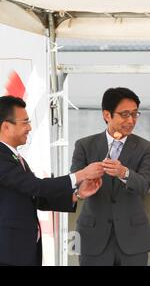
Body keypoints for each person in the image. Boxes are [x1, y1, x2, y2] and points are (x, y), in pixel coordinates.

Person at [0, 95, 103, 266]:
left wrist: (77, 194)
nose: (30, 128)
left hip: (20, 250)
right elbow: (35, 187)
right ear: (5, 126)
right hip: (8, 251)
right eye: (25, 122)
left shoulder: (15, 157)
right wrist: (81, 175)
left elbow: (35, 197)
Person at [71, 87, 150, 266]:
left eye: (135, 114)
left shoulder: (146, 148)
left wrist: (124, 173)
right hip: (92, 236)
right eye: (124, 114)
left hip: (133, 237)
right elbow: (74, 183)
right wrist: (86, 180)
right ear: (107, 115)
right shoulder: (84, 145)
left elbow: (144, 185)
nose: (131, 120)